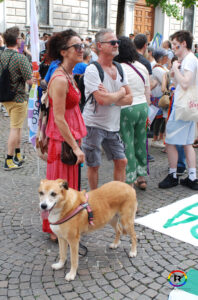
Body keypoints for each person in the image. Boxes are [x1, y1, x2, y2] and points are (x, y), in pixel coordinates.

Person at [43, 29, 87, 240]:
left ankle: (68, 222)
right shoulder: (60, 78)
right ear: (63, 52)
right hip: (62, 140)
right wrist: (76, 146)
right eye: (76, 47)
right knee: (59, 186)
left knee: (68, 185)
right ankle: (56, 228)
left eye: (82, 46)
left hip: (70, 136)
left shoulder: (69, 73)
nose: (81, 50)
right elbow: (59, 118)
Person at [82, 28, 132, 190]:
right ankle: (94, 199)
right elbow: (101, 100)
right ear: (99, 46)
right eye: (112, 42)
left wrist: (111, 97)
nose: (116, 45)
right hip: (93, 125)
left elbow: (130, 99)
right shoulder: (92, 69)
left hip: (113, 125)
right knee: (94, 165)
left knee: (121, 161)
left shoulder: (119, 67)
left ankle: (117, 197)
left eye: (117, 42)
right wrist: (120, 93)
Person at [159, 30, 198, 190]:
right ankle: (192, 177)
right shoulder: (190, 59)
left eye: (175, 44)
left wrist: (175, 66)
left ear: (183, 44)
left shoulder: (188, 60)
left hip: (182, 106)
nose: (173, 48)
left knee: (170, 142)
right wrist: (175, 72)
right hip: (189, 105)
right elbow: (180, 82)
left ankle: (173, 175)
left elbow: (186, 83)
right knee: (187, 143)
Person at [115, 37, 150, 190]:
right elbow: (147, 90)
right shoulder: (141, 66)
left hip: (126, 108)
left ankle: (129, 180)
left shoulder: (117, 68)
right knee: (141, 142)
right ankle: (141, 177)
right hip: (142, 106)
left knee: (127, 144)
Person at [0, 26, 34, 170]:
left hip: (4, 96)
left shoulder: (1, 55)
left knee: (18, 127)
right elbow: (30, 80)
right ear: (16, 40)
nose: (22, 40)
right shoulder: (20, 58)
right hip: (18, 98)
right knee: (15, 128)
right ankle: (8, 160)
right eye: (20, 37)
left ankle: (18, 154)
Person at [150, 48, 168, 148]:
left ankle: (160, 138)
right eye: (165, 57)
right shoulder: (157, 68)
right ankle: (155, 138)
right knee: (159, 118)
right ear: (162, 58)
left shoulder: (162, 67)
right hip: (158, 96)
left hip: (161, 96)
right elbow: (166, 80)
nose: (167, 58)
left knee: (162, 118)